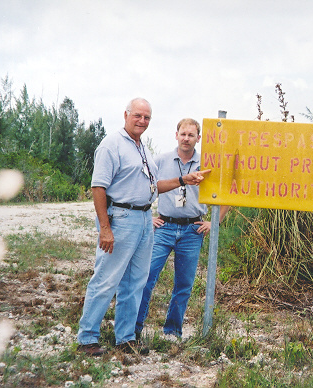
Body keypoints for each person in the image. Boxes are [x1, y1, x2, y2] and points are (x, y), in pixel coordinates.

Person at [77, 99, 208, 356]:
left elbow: (153, 187)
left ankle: (125, 338)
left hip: (145, 219)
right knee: (106, 279)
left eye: (147, 117)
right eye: (138, 115)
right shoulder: (112, 144)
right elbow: (98, 187)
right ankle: (88, 338)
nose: (142, 121)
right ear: (126, 115)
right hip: (121, 218)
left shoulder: (142, 149)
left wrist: (183, 180)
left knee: (135, 282)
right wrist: (105, 227)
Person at [135, 118, 229, 338]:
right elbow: (142, 187)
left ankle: (172, 331)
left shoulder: (207, 163)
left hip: (192, 230)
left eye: (191, 135)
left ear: (199, 138)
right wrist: (148, 216)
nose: (186, 139)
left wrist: (213, 222)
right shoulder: (161, 160)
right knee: (146, 277)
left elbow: (227, 194)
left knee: (184, 284)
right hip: (164, 227)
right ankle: (134, 329)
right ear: (175, 135)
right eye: (183, 134)